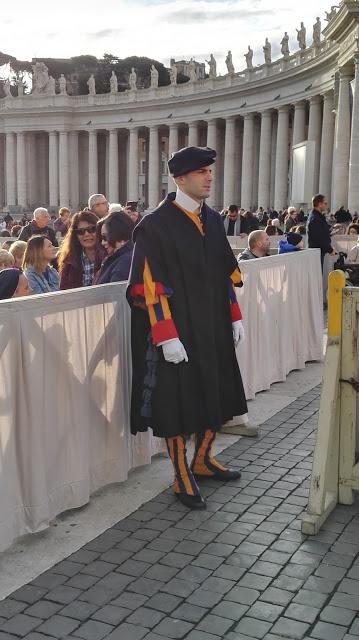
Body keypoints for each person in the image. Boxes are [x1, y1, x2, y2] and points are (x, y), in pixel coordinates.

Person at [127, 146, 247, 510]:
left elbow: (224, 272)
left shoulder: (211, 219)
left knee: (217, 391)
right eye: (201, 172)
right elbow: (149, 284)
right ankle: (181, 474)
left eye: (210, 170)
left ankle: (203, 459)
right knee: (178, 403)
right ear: (180, 179)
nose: (209, 177)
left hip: (212, 325)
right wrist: (166, 335)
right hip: (177, 330)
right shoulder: (154, 225)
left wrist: (235, 314)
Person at [58, 210, 103, 290]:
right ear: (75, 236)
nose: (86, 234)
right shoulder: (69, 262)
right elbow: (64, 293)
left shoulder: (109, 257)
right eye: (81, 232)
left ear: (99, 230)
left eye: (92, 229)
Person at [96, 212, 135, 284]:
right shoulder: (122, 259)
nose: (102, 242)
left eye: (105, 237)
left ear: (120, 236)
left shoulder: (124, 264)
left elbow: (114, 294)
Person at [307, 194, 336, 268]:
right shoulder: (315, 218)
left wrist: (330, 232)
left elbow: (321, 232)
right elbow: (319, 238)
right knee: (316, 275)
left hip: (318, 251)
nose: (326, 205)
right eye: (325, 203)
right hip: (316, 253)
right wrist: (330, 250)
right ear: (319, 204)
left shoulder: (318, 216)